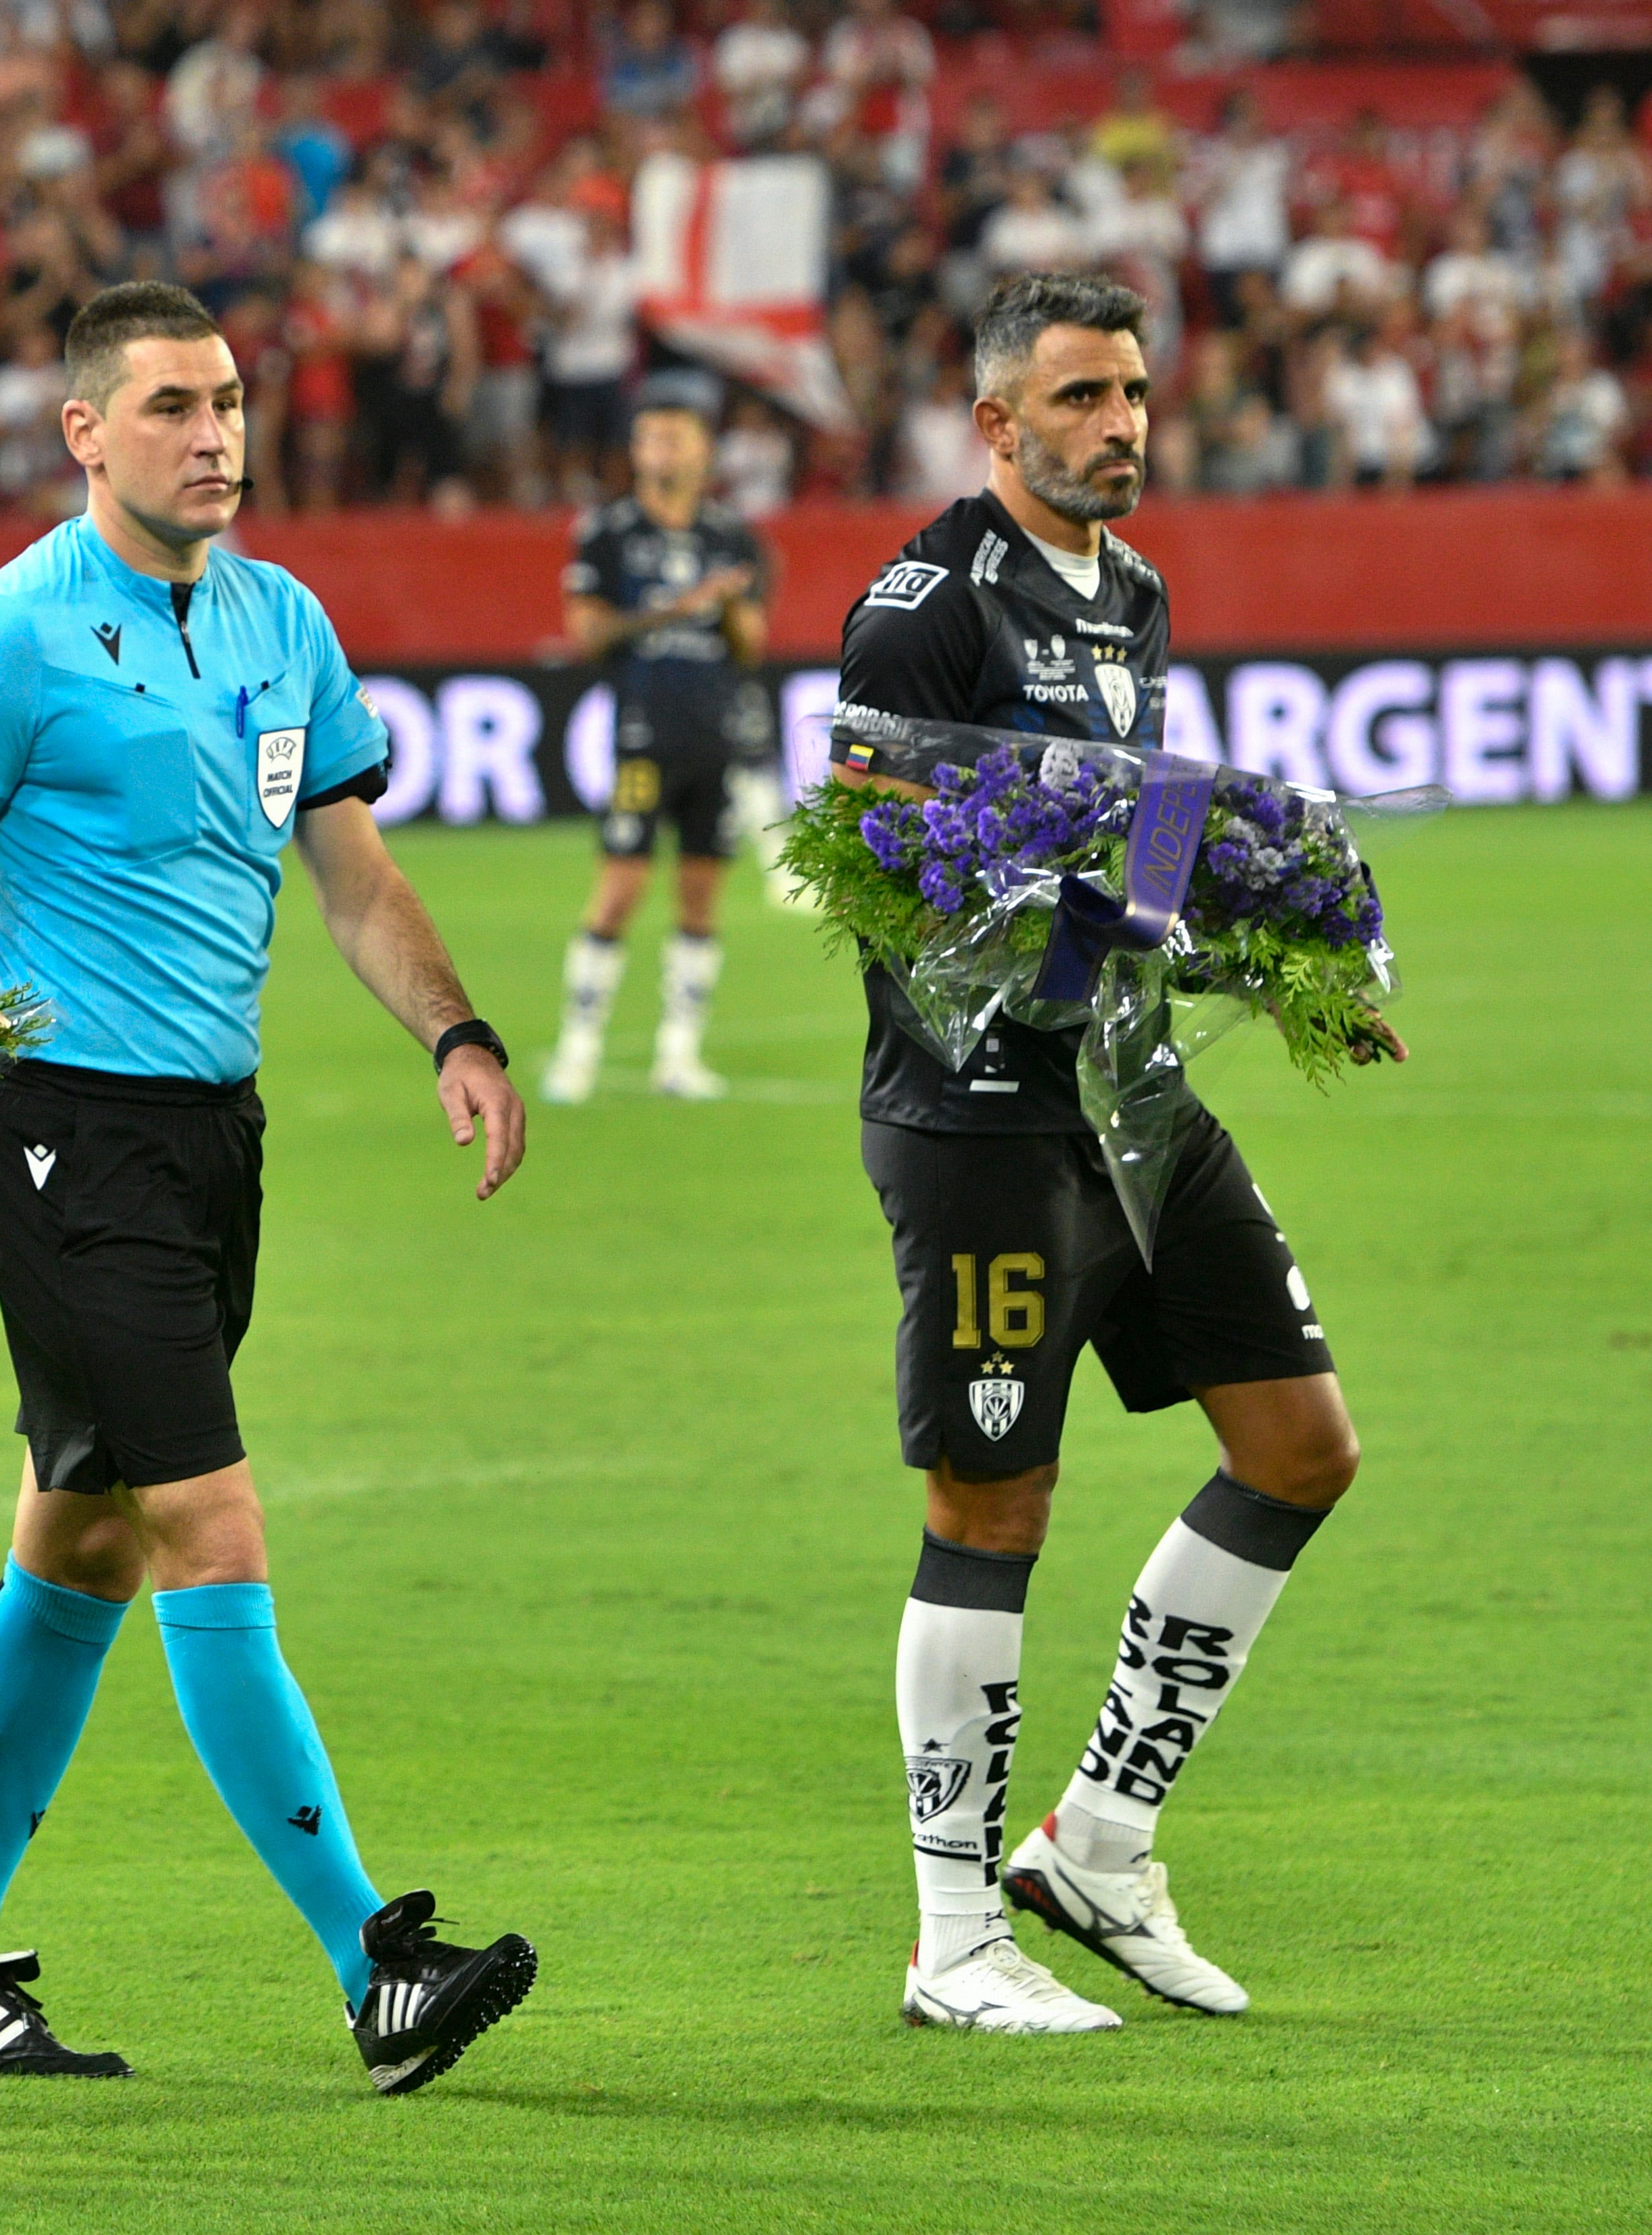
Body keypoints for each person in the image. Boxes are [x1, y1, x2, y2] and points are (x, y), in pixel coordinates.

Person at [0, 282, 538, 2096]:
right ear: (81, 434)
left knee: (81, 1539)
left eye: (225, 404)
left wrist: (456, 1033)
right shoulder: (6, 643)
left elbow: (349, 874)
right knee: (207, 1524)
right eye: (168, 408)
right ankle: (373, 1962)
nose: (212, 436)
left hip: (212, 1141)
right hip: (56, 1134)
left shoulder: (284, 624)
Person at [836, 272, 1398, 2033]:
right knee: (990, 1498)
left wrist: (1272, 941)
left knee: (1300, 1446)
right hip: (981, 1117)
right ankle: (951, 1941)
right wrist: (1083, 928)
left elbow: (1142, 848)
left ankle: (1095, 1839)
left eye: (1134, 391)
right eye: (1078, 396)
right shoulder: (922, 609)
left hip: (1135, 1101)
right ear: (994, 421)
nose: (1121, 423)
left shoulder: (1133, 593)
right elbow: (877, 875)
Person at [542, 380, 772, 1106]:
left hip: (716, 737)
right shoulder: (607, 532)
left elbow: (753, 646)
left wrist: (730, 607)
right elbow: (586, 633)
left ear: (705, 450)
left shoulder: (732, 537)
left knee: (701, 900)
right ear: (637, 451)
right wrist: (673, 609)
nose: (666, 447)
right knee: (619, 891)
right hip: (643, 738)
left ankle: (680, 1056)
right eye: (653, 435)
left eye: (680, 434)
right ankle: (577, 1052)